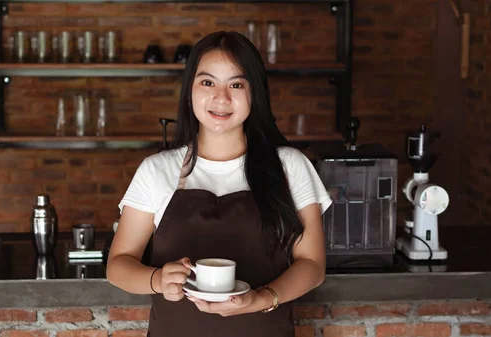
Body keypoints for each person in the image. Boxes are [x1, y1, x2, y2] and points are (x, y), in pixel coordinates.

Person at [106, 31, 332, 337]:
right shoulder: (157, 170)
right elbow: (118, 264)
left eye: (236, 84)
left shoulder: (290, 166)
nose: (221, 98)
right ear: (190, 91)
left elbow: (313, 265)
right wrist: (157, 280)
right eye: (208, 82)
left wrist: (261, 298)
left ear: (255, 94)